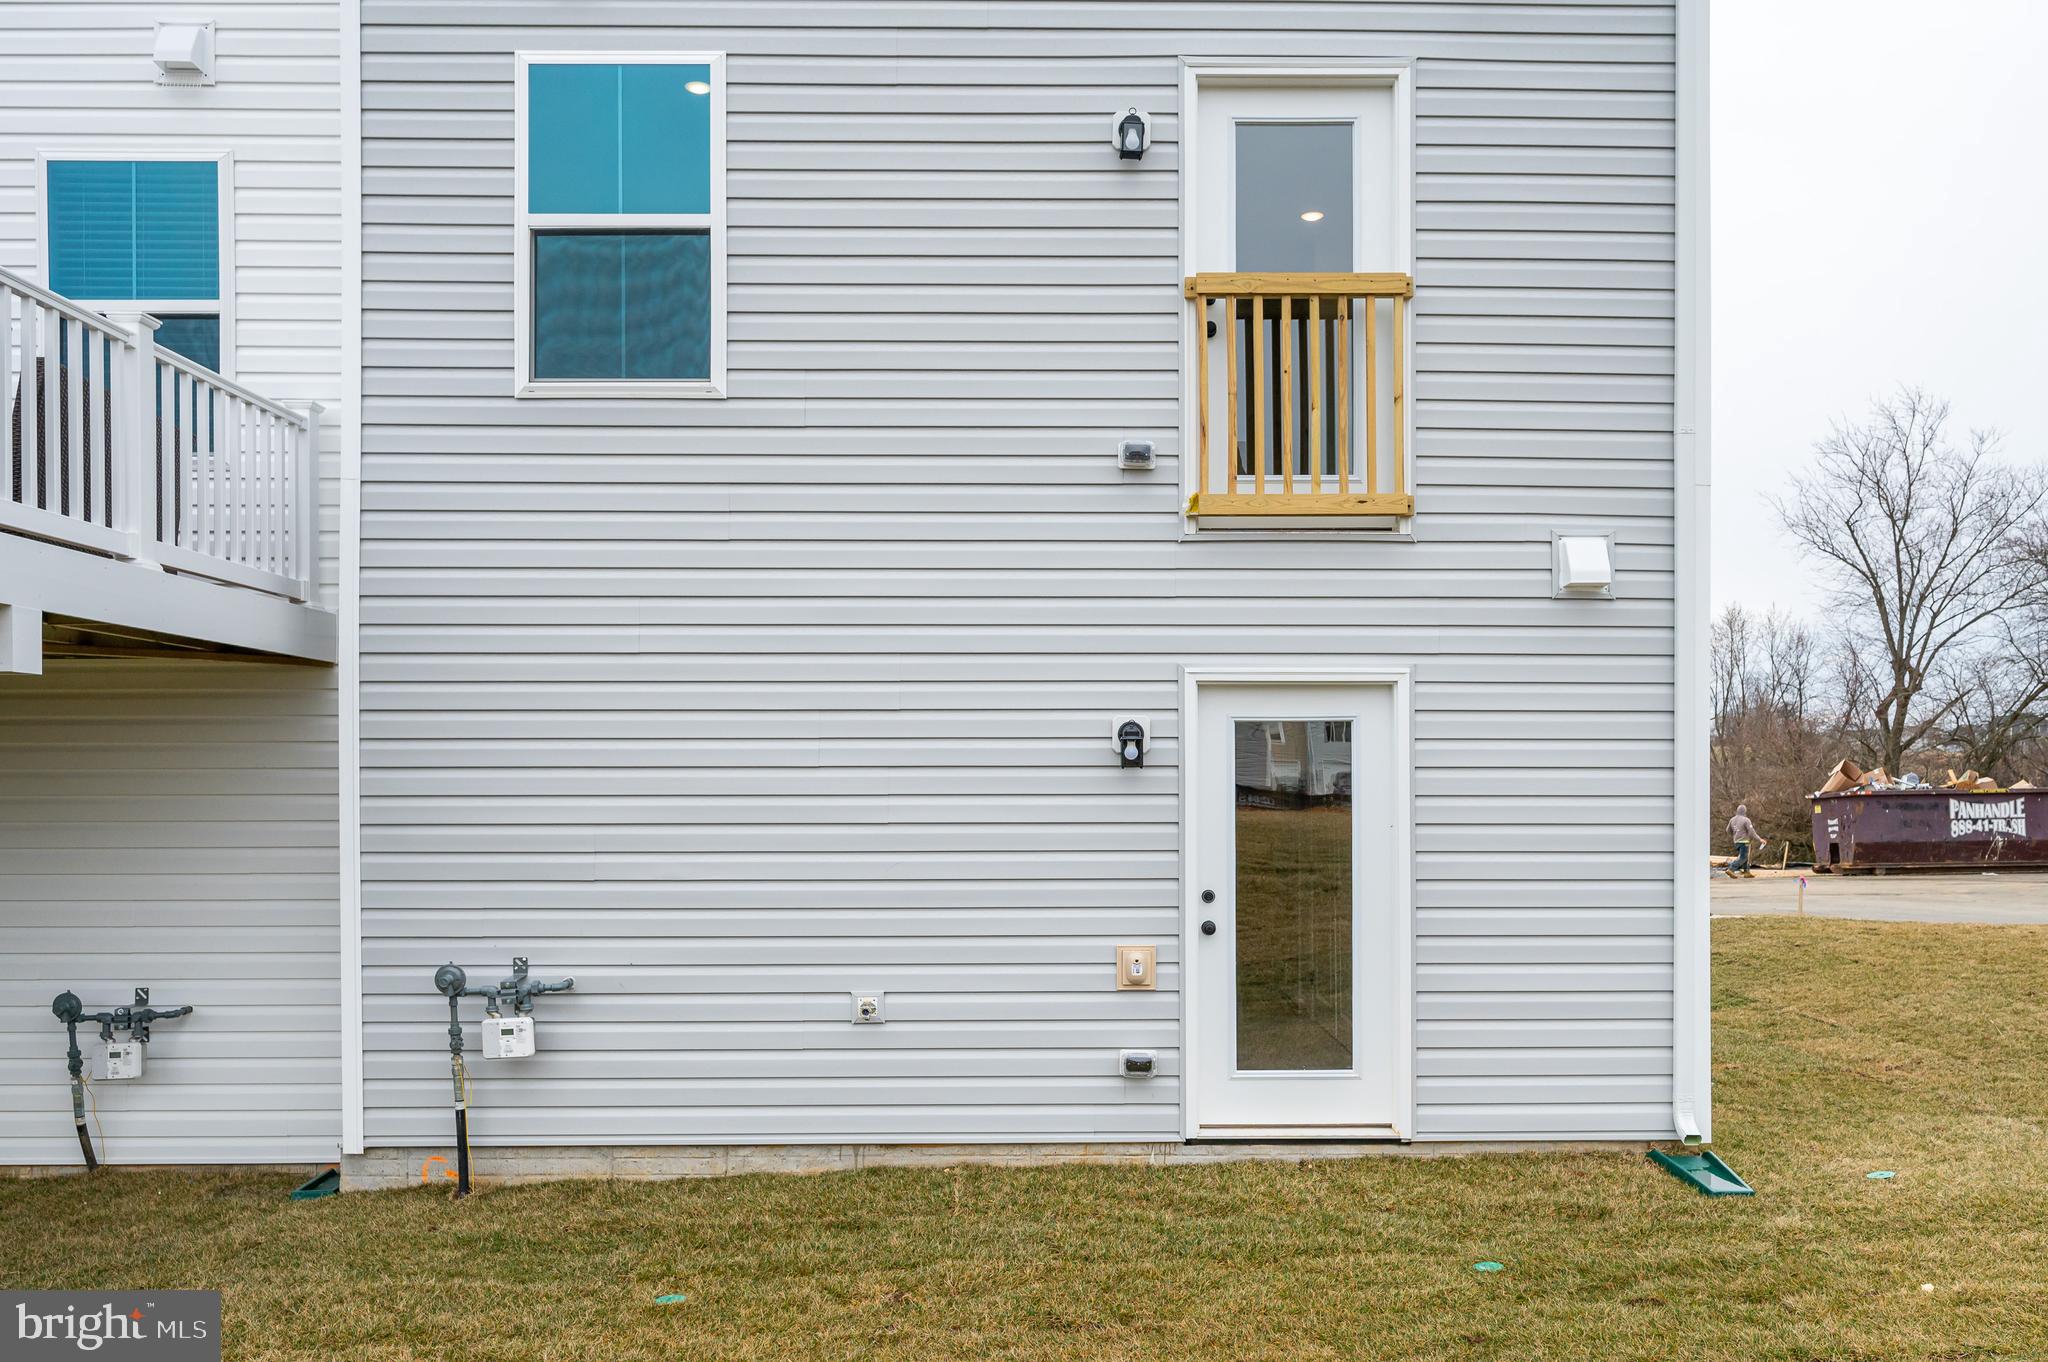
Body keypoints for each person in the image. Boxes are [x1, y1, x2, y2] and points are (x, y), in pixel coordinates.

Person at [1728, 804, 1767, 878]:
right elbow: (1752, 832)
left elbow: (1728, 830)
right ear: (1745, 811)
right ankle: (1731, 869)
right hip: (1744, 841)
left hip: (1736, 842)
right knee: (1743, 857)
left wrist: (1735, 835)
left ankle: (1747, 872)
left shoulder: (1732, 819)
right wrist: (1760, 839)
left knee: (1744, 856)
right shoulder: (1746, 820)